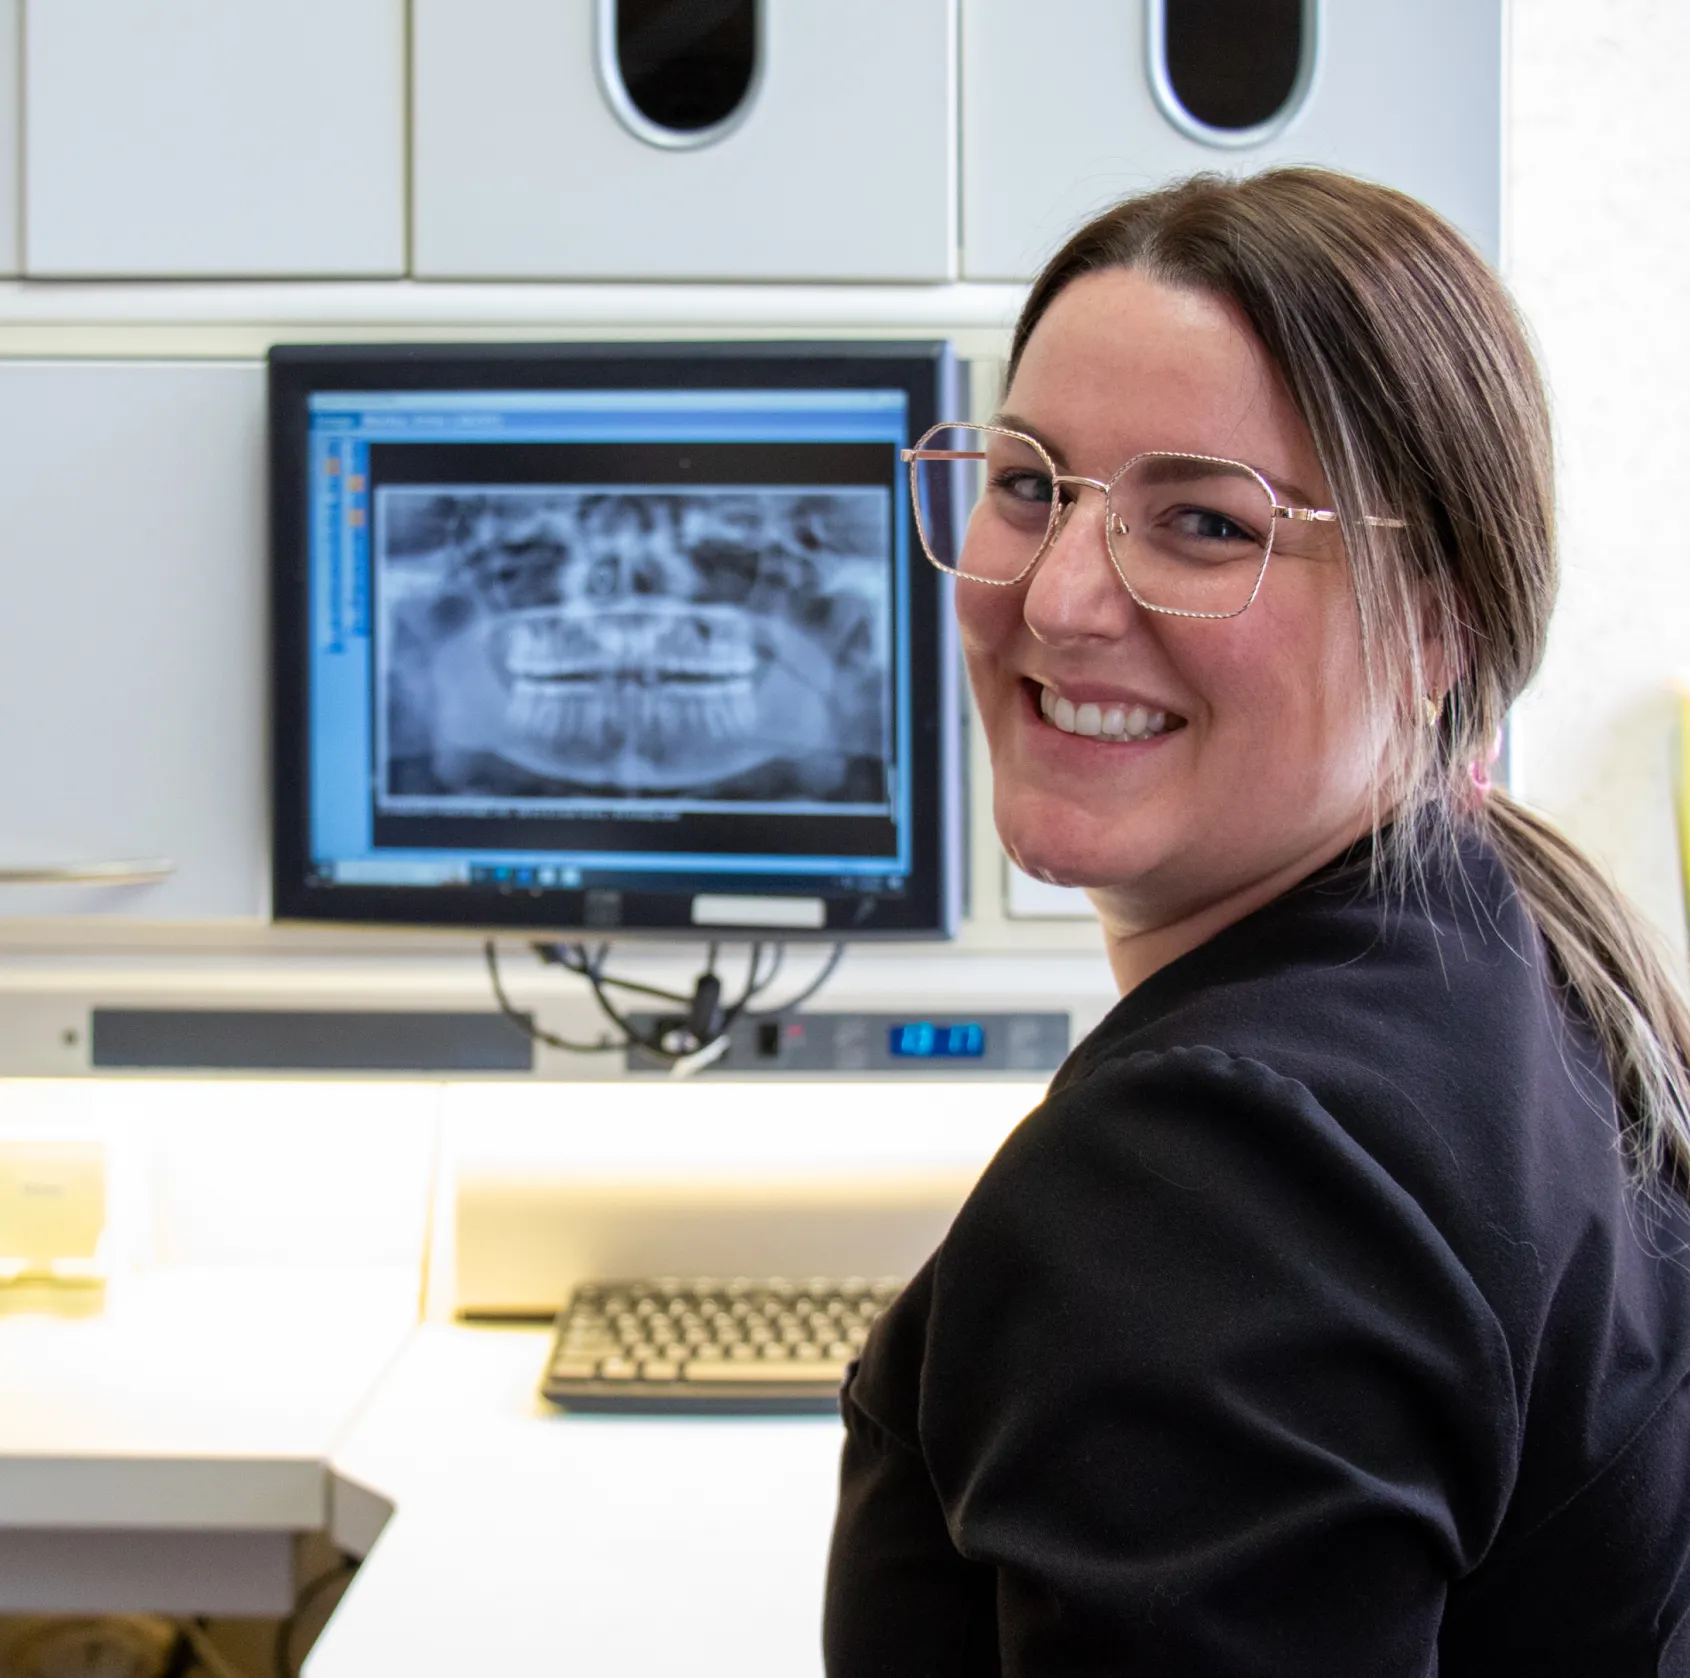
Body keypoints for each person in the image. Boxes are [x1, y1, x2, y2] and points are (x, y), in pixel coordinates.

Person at [823, 168, 1690, 1675]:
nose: (1059, 598)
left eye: (1205, 523)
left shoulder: (1204, 1182)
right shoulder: (1506, 937)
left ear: (1438, 621)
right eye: (1028, 484)